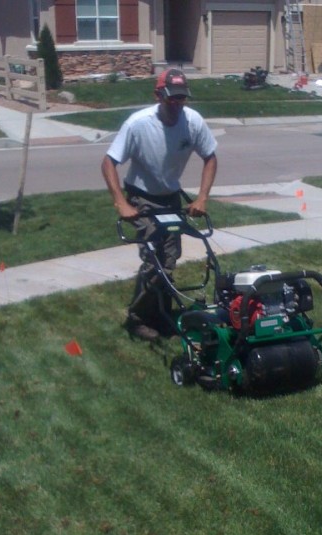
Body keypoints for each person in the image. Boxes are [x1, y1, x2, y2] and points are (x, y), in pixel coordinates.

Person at [101, 68, 218, 341]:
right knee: (155, 261)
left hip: (170, 197)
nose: (177, 105)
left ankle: (162, 315)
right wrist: (120, 202)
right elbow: (108, 163)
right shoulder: (137, 124)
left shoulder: (193, 122)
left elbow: (210, 157)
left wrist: (202, 197)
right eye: (171, 99)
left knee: (170, 258)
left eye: (181, 99)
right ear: (158, 95)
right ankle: (138, 318)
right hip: (141, 197)